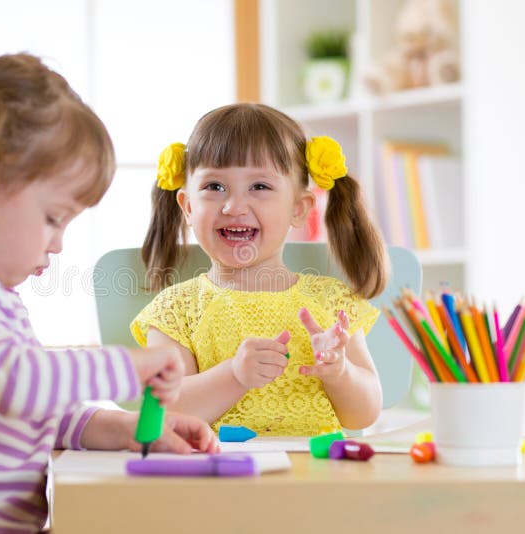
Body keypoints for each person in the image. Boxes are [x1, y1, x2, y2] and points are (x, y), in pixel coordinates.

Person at [0, 53, 217, 532]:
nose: (59, 243)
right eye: (52, 218)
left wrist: (124, 429)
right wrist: (126, 367)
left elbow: (39, 409)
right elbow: (13, 384)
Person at [131, 103, 390, 437]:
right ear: (188, 206)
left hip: (315, 480)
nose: (234, 206)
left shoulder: (331, 302)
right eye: (214, 187)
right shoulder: (175, 311)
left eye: (260, 187)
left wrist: (339, 372)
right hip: (216, 476)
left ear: (299, 208)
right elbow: (165, 413)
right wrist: (234, 376)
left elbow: (364, 415)